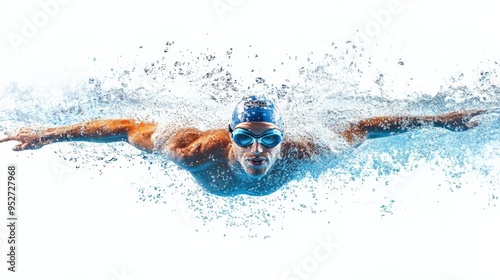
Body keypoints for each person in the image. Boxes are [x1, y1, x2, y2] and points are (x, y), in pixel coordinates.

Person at [0, 95, 485, 196]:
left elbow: (368, 126)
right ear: (230, 138)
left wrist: (440, 121)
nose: (259, 149)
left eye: (269, 138)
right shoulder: (192, 149)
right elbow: (123, 126)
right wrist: (45, 135)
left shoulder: (307, 150)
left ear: (281, 138)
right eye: (247, 139)